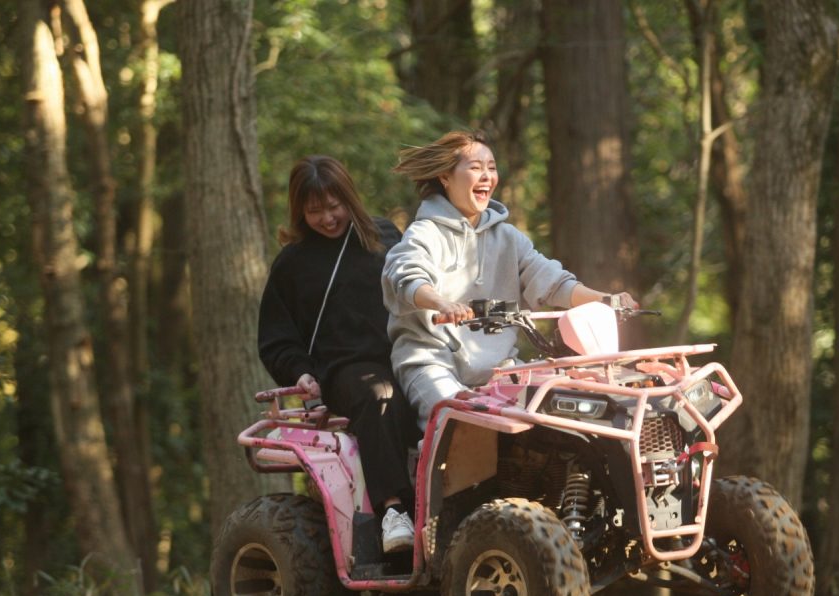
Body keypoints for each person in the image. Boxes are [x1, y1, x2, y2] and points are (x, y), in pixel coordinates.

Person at [381, 130, 637, 427]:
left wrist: (605, 300)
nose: (487, 176)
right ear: (445, 177)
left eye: (491, 167)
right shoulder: (424, 233)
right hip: (432, 363)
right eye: (475, 167)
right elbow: (406, 276)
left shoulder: (509, 237)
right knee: (459, 420)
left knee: (560, 411)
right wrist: (441, 303)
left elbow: (552, 281)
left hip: (501, 368)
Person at [259, 156, 418, 554]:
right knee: (380, 396)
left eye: (334, 206)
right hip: (346, 370)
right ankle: (393, 511)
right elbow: (276, 338)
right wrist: (299, 372)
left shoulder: (384, 236)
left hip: (406, 354)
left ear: (349, 198)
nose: (328, 219)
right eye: (315, 211)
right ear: (299, 211)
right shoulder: (291, 263)